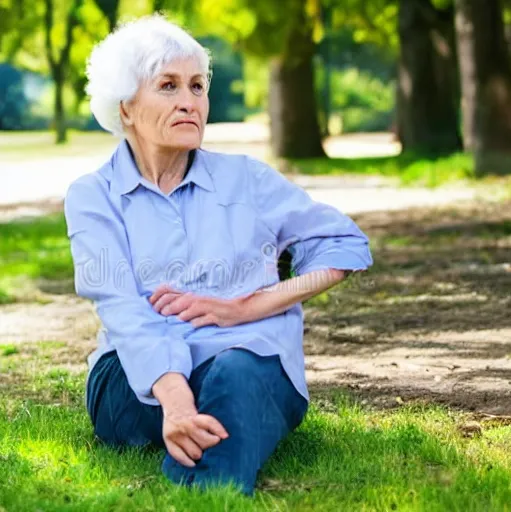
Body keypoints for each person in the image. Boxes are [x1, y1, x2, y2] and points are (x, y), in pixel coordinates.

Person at [64, 14, 373, 496]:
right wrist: (174, 398)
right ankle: (210, 432)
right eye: (168, 86)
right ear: (126, 107)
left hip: (245, 359)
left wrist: (249, 306)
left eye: (197, 86)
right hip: (134, 373)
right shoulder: (92, 195)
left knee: (236, 372)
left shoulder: (248, 179)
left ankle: (207, 491)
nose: (190, 102)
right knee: (175, 393)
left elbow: (346, 245)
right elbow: (120, 305)